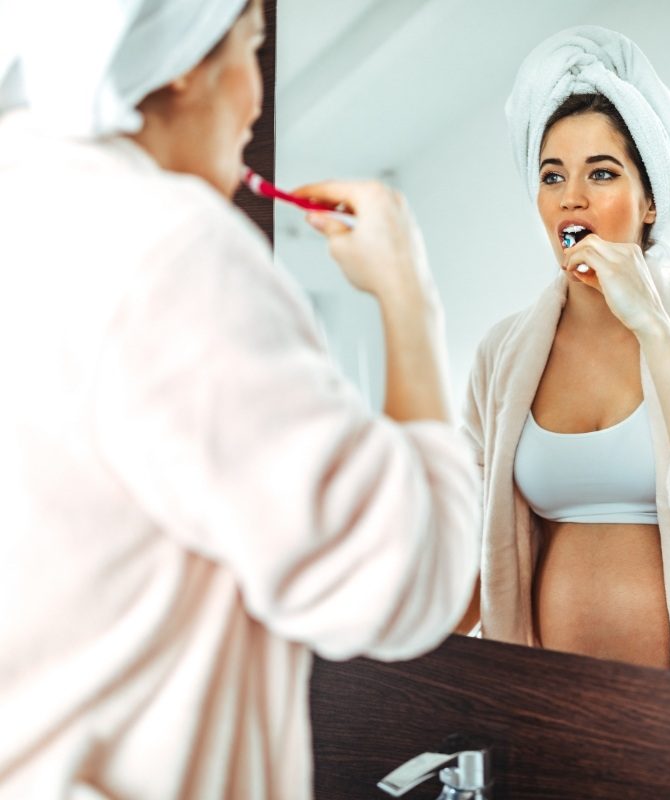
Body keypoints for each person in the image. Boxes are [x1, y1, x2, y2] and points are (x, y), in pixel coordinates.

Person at [0, 0, 479, 797]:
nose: (257, 103)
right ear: (185, 60)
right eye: (252, 49)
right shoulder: (170, 247)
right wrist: (410, 298)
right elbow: (402, 582)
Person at [458, 25, 670, 692]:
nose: (572, 197)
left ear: (651, 201)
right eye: (552, 174)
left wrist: (649, 321)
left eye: (602, 173)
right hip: (551, 707)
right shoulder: (503, 353)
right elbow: (472, 552)